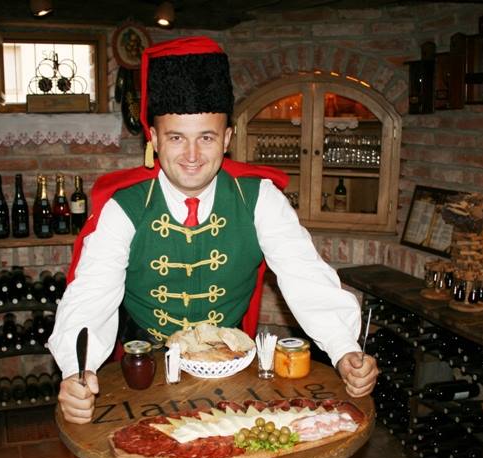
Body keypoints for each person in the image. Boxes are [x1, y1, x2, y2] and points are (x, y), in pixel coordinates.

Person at [49, 36, 378, 424]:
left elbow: (303, 273)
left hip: (232, 371)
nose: (191, 156)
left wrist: (343, 349)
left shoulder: (260, 199)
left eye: (206, 137)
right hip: (145, 376)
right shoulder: (124, 208)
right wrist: (77, 370)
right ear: (153, 138)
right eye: (176, 137)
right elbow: (92, 293)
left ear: (227, 139)